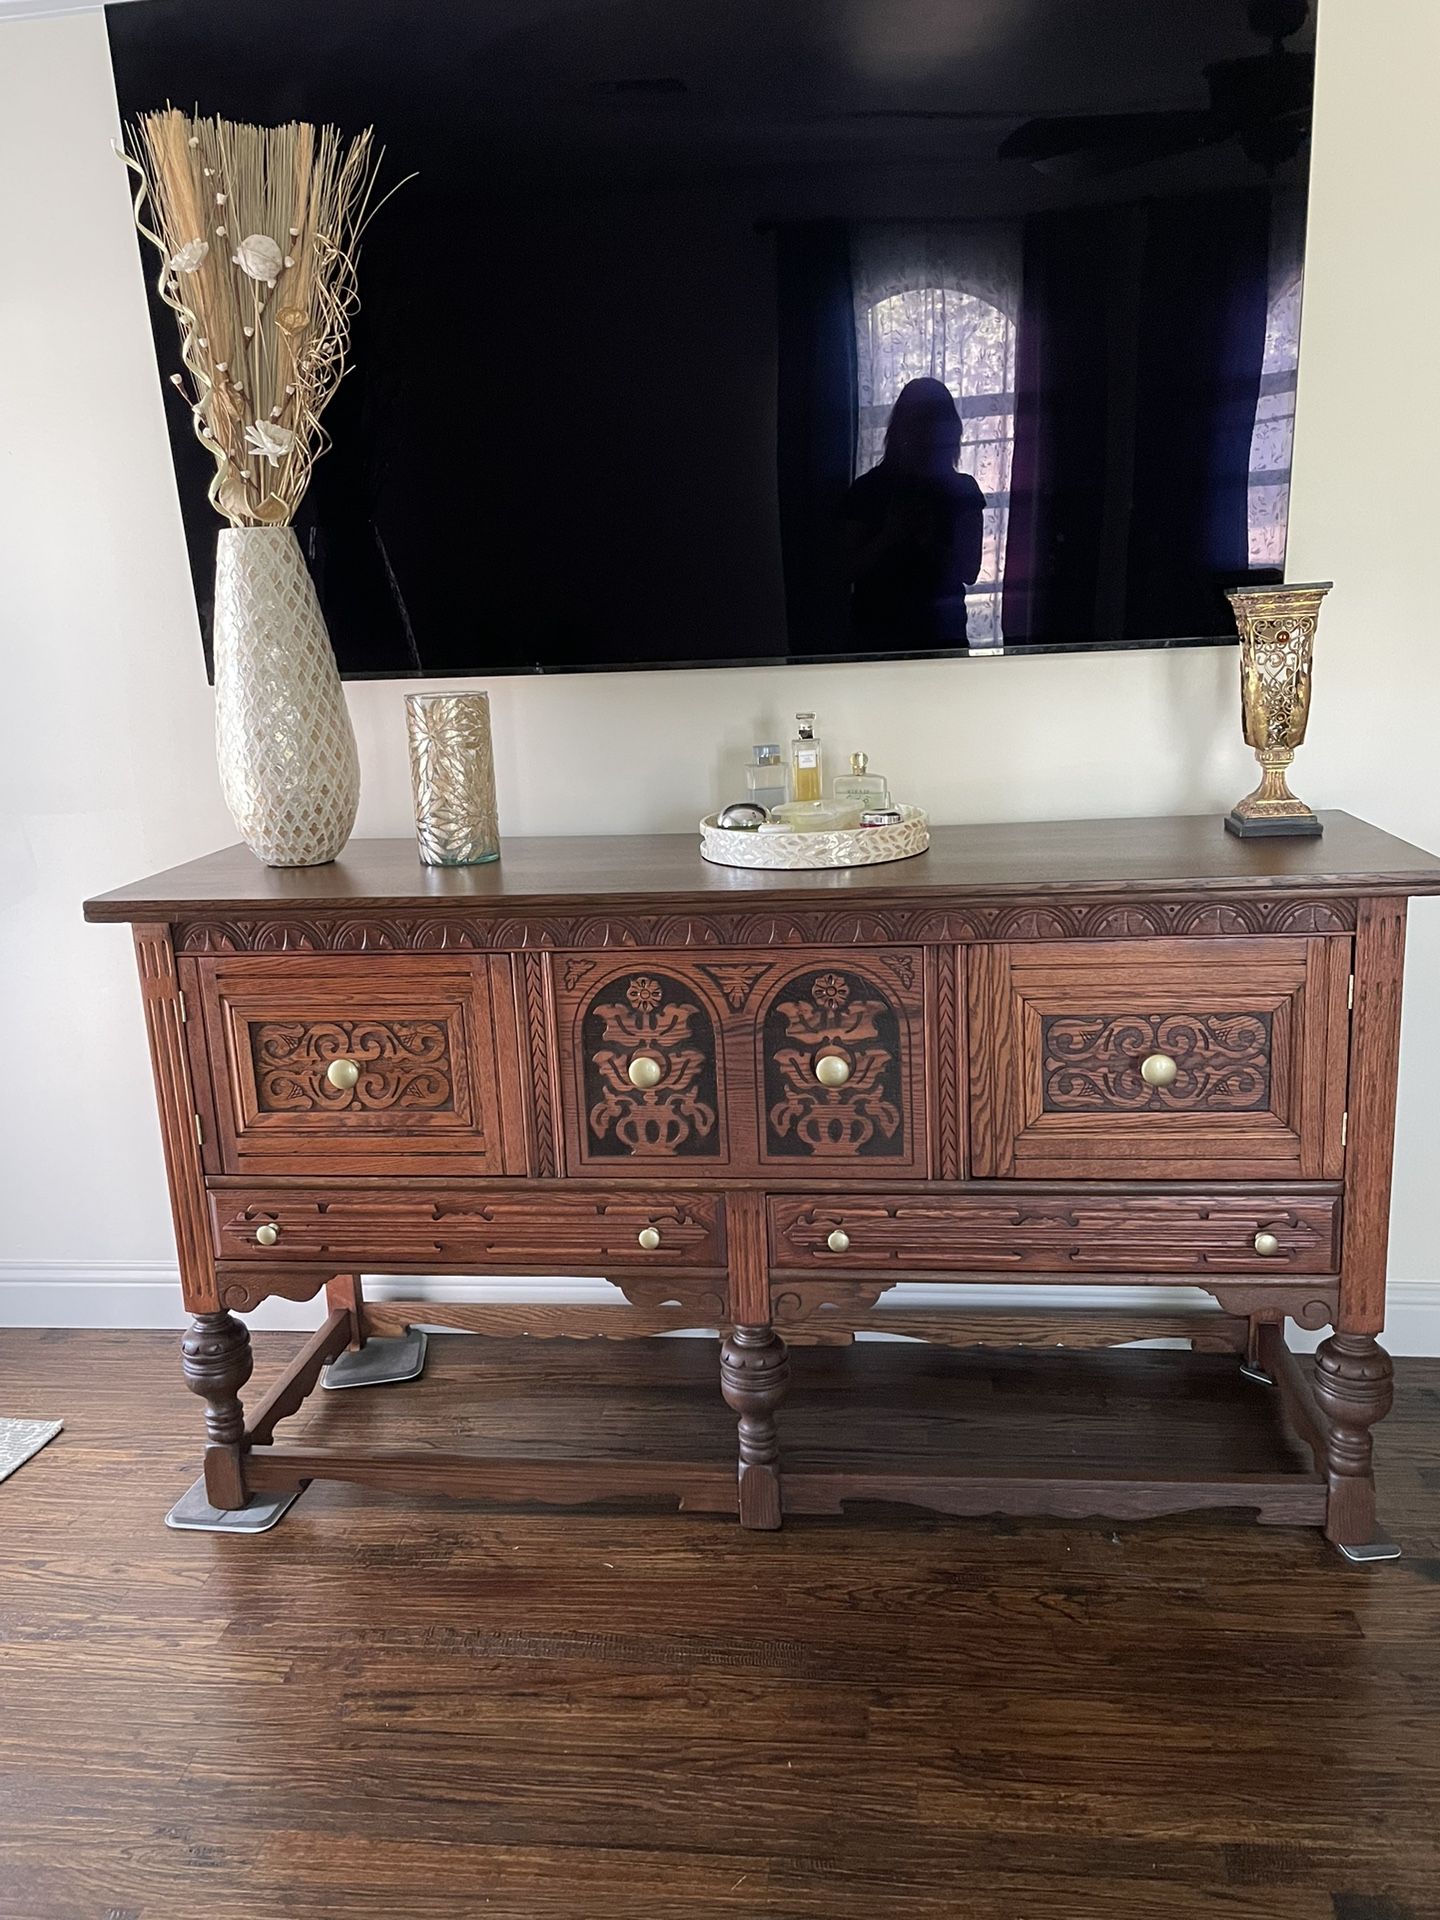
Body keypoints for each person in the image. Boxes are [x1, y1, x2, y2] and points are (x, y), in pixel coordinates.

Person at [844, 376, 985, 646]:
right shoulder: (869, 489)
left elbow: (969, 571)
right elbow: (844, 569)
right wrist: (892, 536)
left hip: (922, 636)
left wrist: (919, 538)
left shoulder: (869, 488)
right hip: (889, 635)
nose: (924, 434)